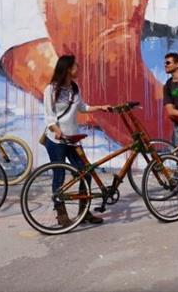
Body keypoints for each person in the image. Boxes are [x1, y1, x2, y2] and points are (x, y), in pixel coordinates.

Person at [43, 54, 110, 227]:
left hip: (73, 139)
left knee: (85, 173)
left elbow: (82, 107)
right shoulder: (50, 89)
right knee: (59, 176)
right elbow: (49, 117)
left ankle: (83, 211)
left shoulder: (74, 87)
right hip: (56, 141)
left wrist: (100, 108)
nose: (78, 69)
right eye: (75, 67)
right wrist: (57, 131)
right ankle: (61, 213)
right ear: (67, 69)